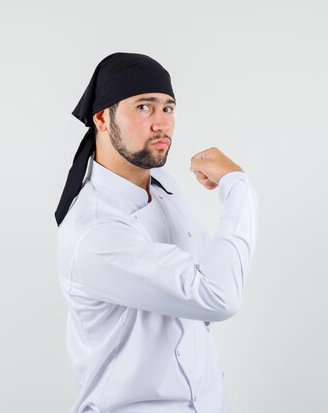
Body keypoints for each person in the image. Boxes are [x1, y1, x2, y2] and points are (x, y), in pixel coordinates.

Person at [55, 52, 259, 413]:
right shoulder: (96, 233)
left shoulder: (163, 184)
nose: (161, 124)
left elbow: (204, 281)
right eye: (144, 107)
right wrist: (237, 187)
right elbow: (218, 296)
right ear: (102, 118)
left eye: (168, 108)